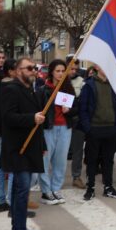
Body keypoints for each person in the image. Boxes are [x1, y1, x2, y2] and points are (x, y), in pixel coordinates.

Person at [0, 57, 46, 230]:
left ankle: (22, 227)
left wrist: (41, 144)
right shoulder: (10, 90)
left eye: (34, 68)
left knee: (24, 191)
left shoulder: (30, 90)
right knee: (21, 189)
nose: (33, 70)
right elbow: (8, 117)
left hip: (31, 146)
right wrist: (31, 118)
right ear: (18, 71)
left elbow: (38, 121)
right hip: (18, 148)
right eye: (29, 68)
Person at [78, 64, 116, 201]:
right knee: (92, 160)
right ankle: (90, 187)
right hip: (94, 128)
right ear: (97, 67)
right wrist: (88, 127)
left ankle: (108, 187)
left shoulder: (114, 85)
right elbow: (83, 108)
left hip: (110, 128)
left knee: (109, 160)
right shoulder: (89, 85)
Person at [36, 60, 78, 205]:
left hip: (65, 128)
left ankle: (56, 188)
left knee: (60, 161)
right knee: (45, 160)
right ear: (52, 72)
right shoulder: (43, 89)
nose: (60, 73)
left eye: (62, 71)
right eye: (57, 71)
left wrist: (70, 110)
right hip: (49, 128)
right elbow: (38, 109)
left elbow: (76, 108)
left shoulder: (68, 88)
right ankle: (46, 191)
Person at [0, 59, 17, 213]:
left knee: (2, 166)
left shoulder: (0, 87)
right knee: (12, 167)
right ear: (11, 71)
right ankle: (11, 202)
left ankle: (0, 201)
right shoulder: (8, 88)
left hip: (3, 133)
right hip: (9, 134)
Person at [65, 57, 87, 189]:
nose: (73, 71)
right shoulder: (59, 81)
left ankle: (76, 176)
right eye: (71, 68)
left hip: (77, 120)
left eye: (76, 69)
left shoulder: (82, 82)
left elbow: (82, 101)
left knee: (78, 151)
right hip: (61, 121)